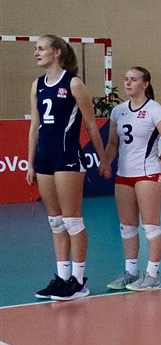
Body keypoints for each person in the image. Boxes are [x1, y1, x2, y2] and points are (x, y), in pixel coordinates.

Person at [28, 35, 108, 301]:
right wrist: (30, 162)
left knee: (72, 220)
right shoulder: (37, 85)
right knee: (55, 221)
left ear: (57, 52)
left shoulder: (73, 83)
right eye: (36, 49)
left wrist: (103, 159)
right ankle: (62, 278)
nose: (36, 53)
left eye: (41, 48)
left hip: (68, 157)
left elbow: (91, 125)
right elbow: (34, 126)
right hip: (44, 159)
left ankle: (79, 280)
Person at [103, 67, 161, 291]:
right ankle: (131, 272)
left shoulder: (155, 109)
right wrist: (106, 162)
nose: (128, 83)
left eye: (133, 80)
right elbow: (113, 143)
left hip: (147, 174)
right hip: (123, 175)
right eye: (126, 79)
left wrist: (158, 163)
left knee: (151, 227)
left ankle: (152, 275)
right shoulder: (118, 111)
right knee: (127, 227)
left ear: (145, 84)